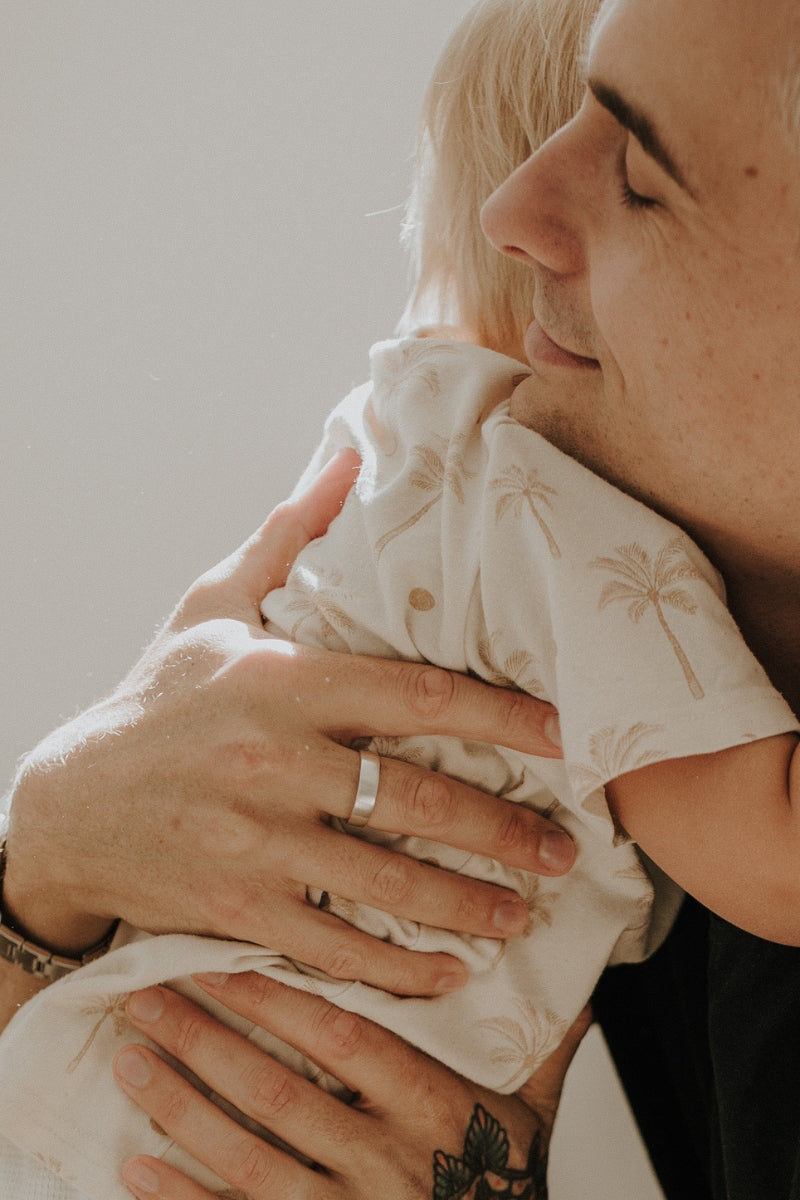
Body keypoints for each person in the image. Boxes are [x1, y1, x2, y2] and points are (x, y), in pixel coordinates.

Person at [2, 0, 800, 1196]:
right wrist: (51, 854)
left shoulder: (486, 499)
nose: (514, 219)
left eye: (638, 178)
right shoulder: (580, 582)